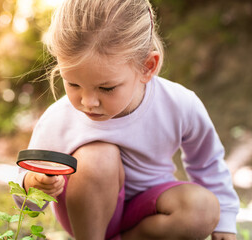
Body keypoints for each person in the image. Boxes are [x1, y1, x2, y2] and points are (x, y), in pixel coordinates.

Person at [13, 0, 240, 239]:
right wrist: (32, 184)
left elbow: (208, 162)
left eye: (107, 88)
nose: (88, 101)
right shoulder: (59, 118)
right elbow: (28, 198)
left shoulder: (180, 104)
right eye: (73, 84)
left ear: (147, 67)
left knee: (203, 207)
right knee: (97, 157)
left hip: (151, 210)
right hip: (88, 220)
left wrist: (225, 220)